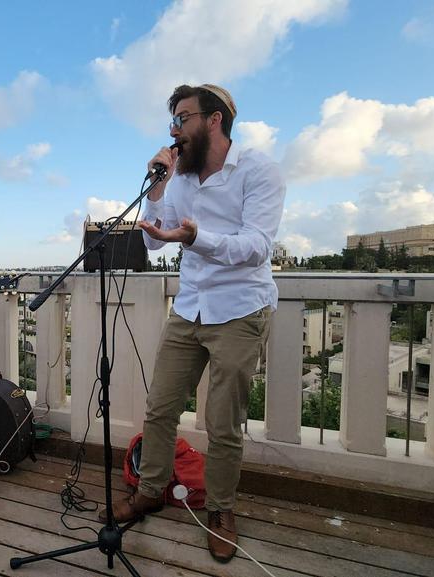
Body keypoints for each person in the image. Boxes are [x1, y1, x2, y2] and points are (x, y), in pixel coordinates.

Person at [100, 84, 285, 564]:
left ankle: (221, 511)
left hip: (239, 309)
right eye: (173, 121)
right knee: (160, 408)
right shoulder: (180, 177)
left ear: (214, 119)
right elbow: (154, 241)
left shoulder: (258, 170)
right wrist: (157, 189)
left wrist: (197, 236)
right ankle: (150, 490)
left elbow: (257, 247)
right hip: (189, 307)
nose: (174, 130)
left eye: (183, 118)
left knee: (223, 423)